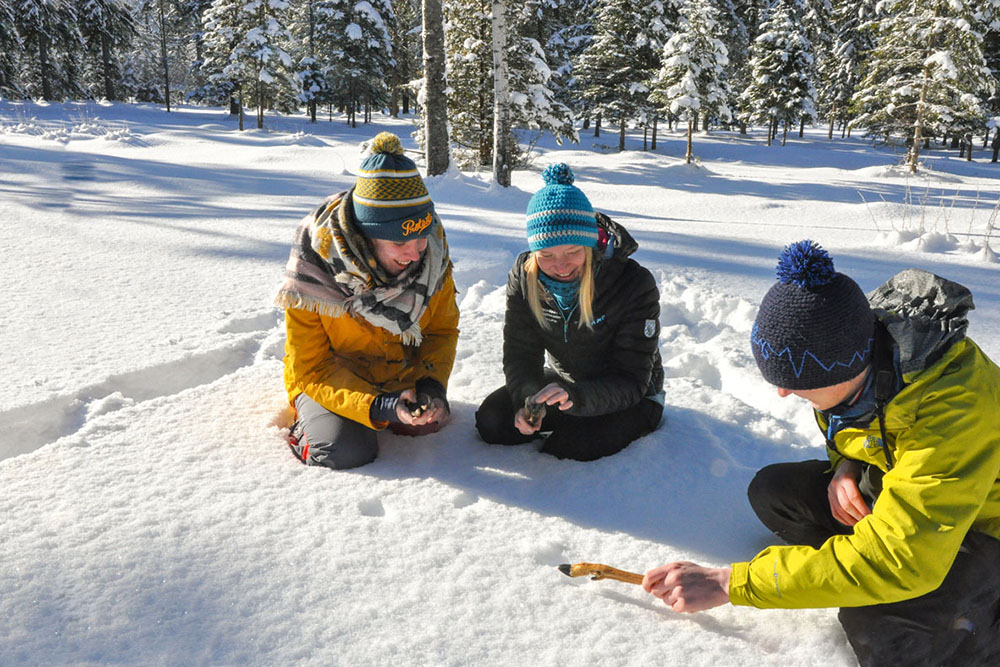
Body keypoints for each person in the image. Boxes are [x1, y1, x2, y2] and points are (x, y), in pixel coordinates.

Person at [642, 240, 1000, 666]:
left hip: (981, 523)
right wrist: (846, 466)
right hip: (910, 489)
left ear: (848, 368)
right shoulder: (857, 364)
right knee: (774, 492)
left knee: (880, 628)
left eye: (797, 381)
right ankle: (854, 564)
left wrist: (730, 582)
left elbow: (901, 561)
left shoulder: (956, 406)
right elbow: (853, 433)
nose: (782, 391)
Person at [274, 132, 459, 470]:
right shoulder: (315, 267)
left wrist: (431, 385)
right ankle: (306, 425)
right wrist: (377, 405)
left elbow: (441, 331)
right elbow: (311, 367)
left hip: (395, 375)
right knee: (344, 449)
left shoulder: (433, 256)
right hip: (328, 380)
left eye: (421, 237)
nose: (416, 253)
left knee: (426, 424)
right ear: (366, 236)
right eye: (401, 242)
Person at [475, 163, 664, 461]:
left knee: (571, 447)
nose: (561, 266)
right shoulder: (525, 276)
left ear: (590, 245)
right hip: (566, 384)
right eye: (547, 255)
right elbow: (521, 353)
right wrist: (528, 400)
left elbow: (631, 380)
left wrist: (576, 398)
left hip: (632, 396)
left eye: (573, 252)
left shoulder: (633, 283)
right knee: (493, 422)